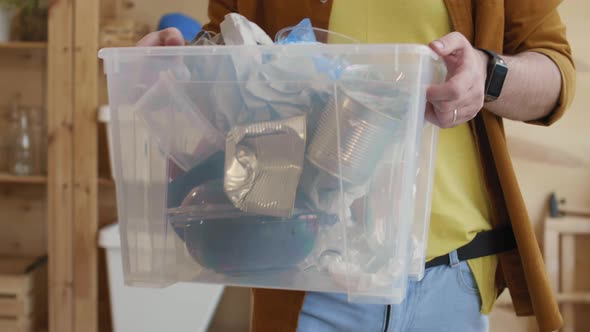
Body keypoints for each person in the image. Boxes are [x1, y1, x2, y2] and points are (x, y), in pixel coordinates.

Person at [137, 1, 575, 331]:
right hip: (307, 277)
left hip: (451, 279)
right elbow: (227, 62)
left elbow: (555, 72)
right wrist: (179, 68)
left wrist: (487, 72)